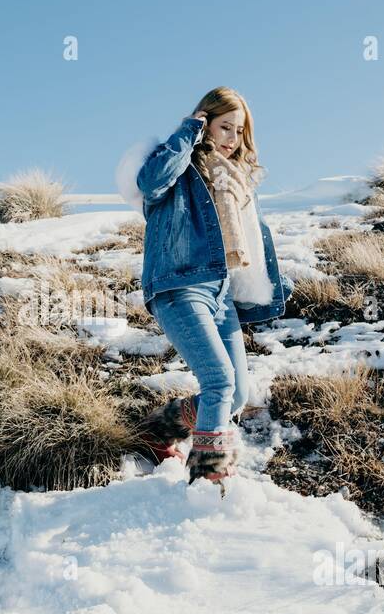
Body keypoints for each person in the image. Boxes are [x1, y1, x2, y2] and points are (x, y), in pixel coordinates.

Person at [123, 87, 293, 485]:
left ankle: (157, 431)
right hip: (180, 287)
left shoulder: (237, 180)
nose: (232, 139)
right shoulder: (182, 168)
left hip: (221, 293)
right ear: (206, 124)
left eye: (239, 130)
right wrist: (189, 131)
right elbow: (150, 182)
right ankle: (209, 478)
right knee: (218, 381)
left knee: (236, 395)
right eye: (224, 127)